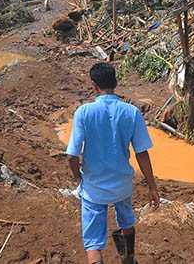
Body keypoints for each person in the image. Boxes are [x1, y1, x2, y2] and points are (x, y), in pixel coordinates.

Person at [67, 63, 160, 264]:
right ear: (116, 83)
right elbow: (141, 153)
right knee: (126, 220)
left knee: (93, 243)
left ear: (94, 85)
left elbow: (72, 156)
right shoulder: (132, 112)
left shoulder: (84, 112)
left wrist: (78, 176)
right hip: (122, 184)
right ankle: (128, 260)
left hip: (94, 187)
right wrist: (152, 187)